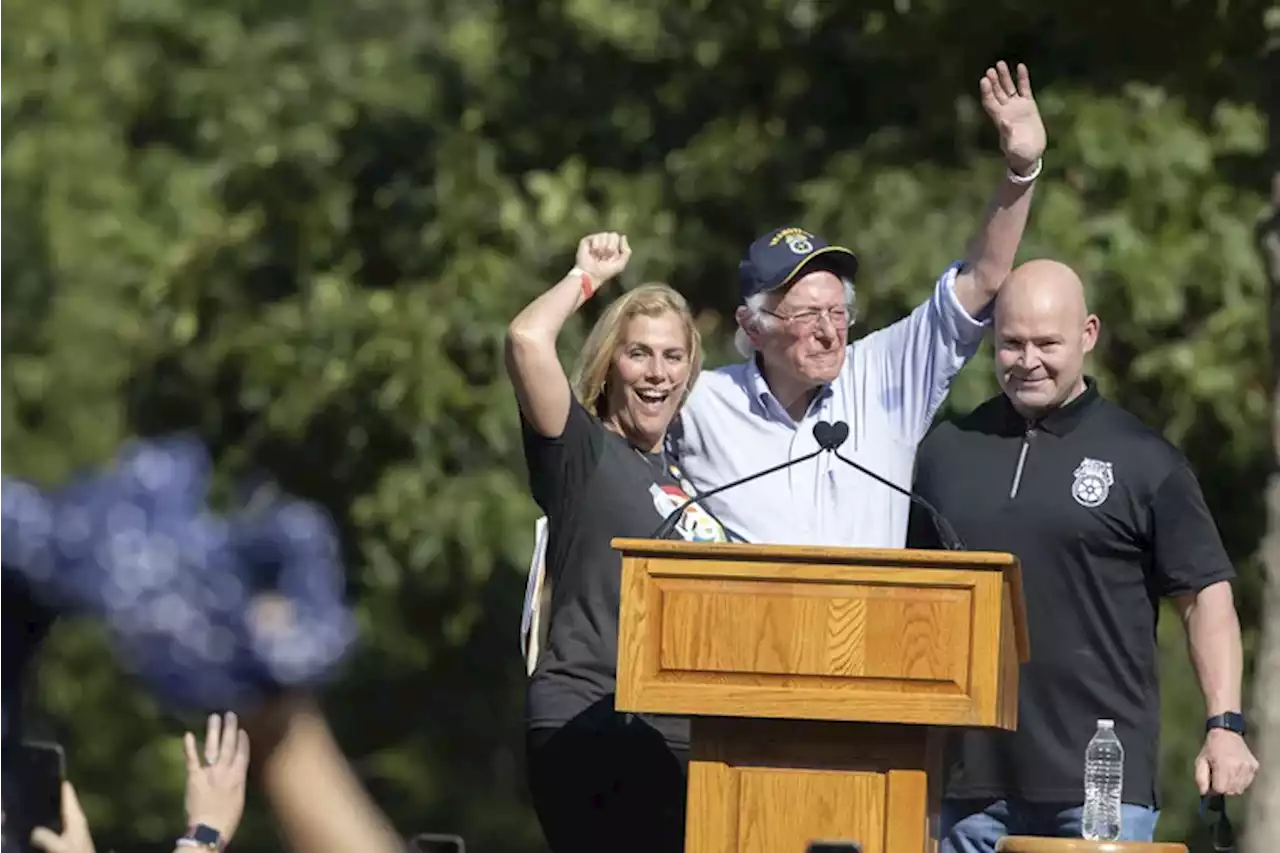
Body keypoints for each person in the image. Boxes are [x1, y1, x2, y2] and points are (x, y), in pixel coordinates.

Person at [906, 259, 1259, 850]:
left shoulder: (1146, 460)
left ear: (1088, 335)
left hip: (1100, 784)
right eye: (1012, 343)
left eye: (1048, 343)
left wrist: (1224, 725)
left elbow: (1204, 598)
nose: (1028, 361)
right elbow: (914, 600)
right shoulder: (945, 451)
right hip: (967, 785)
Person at [668, 61, 1047, 546]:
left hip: (867, 622)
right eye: (807, 315)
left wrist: (1020, 171)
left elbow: (984, 278)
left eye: (838, 311)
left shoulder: (885, 377)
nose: (830, 331)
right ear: (754, 326)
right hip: (751, 622)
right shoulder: (702, 404)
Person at [505, 232, 728, 853]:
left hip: (680, 735)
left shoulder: (685, 480)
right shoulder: (583, 451)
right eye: (639, 354)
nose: (658, 373)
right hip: (591, 720)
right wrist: (585, 278)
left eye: (673, 356)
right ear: (610, 362)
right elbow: (526, 342)